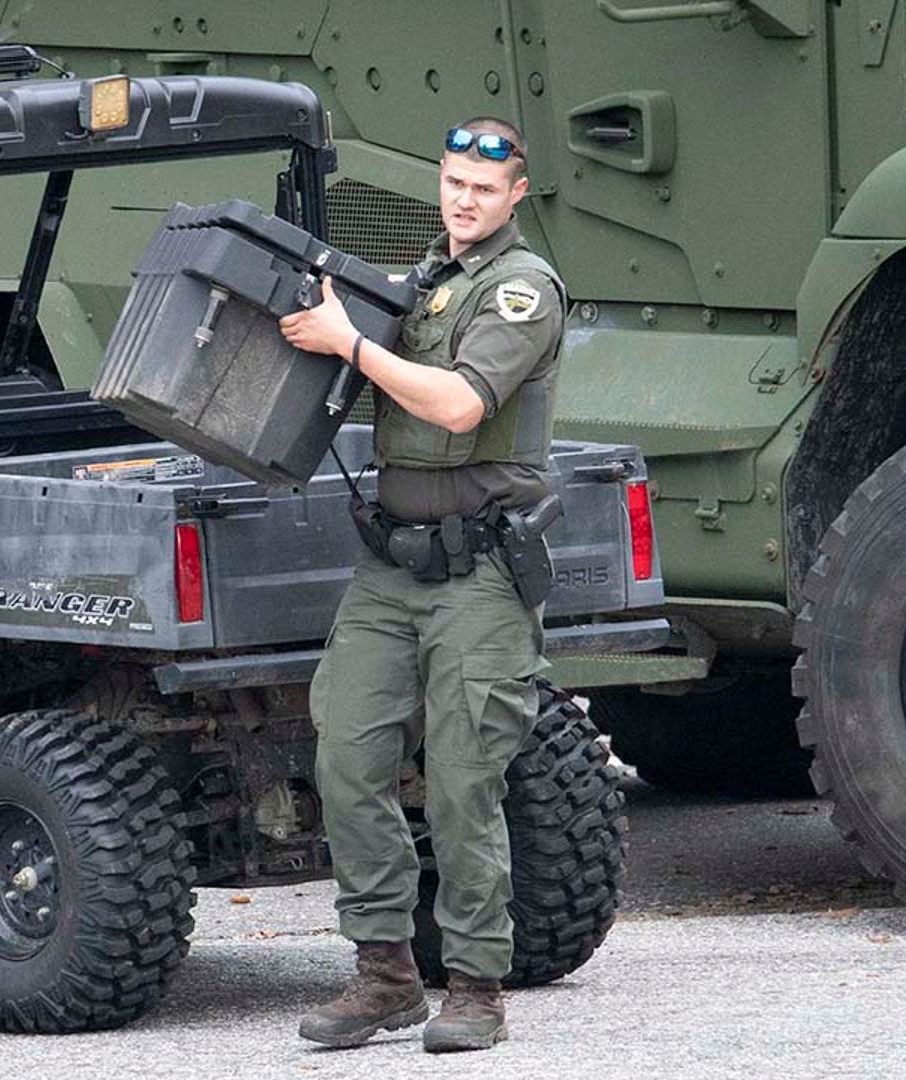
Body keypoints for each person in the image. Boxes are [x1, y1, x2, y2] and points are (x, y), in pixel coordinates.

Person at [278, 116, 564, 1054]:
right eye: (451, 183)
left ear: (516, 194)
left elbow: (457, 403)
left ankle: (477, 985)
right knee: (347, 758)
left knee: (462, 779)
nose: (463, 200)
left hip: (477, 573)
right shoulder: (424, 284)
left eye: (483, 189)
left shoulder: (522, 290)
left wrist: (349, 346)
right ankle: (385, 975)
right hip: (391, 566)